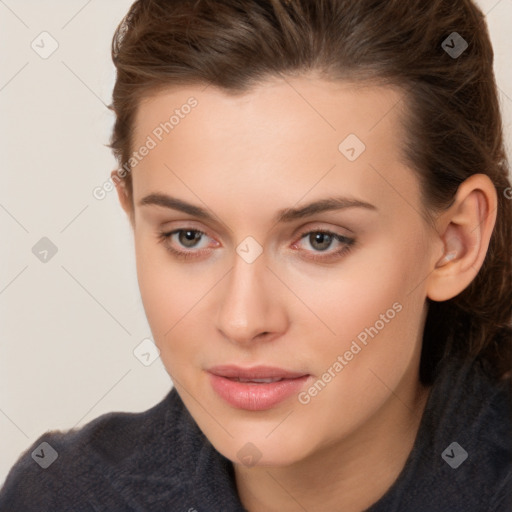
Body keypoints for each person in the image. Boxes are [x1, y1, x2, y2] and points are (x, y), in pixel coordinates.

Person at [1, 0, 511, 510]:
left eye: (320, 240)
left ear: (454, 242)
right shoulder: (61, 498)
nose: (243, 320)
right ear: (132, 215)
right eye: (189, 236)